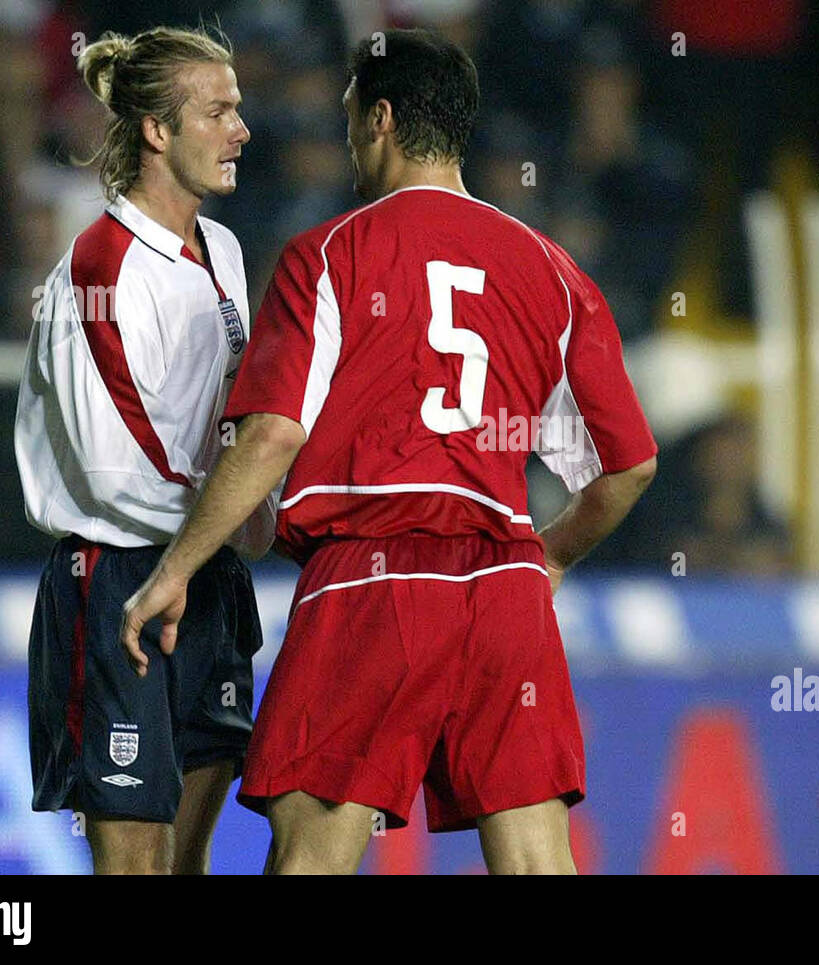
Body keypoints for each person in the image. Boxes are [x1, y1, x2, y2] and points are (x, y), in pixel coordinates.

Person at [120, 28, 657, 875]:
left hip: (371, 580)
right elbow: (629, 465)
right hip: (504, 586)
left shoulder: (329, 253)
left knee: (312, 858)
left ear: (381, 119)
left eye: (349, 122)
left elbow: (272, 432)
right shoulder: (554, 271)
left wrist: (177, 566)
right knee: (537, 862)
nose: (346, 145)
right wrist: (549, 556)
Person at [15, 26, 272, 874]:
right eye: (217, 112)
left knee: (189, 862)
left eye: (238, 109)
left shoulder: (224, 250)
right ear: (158, 130)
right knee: (135, 866)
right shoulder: (101, 266)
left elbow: (236, 418)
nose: (241, 130)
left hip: (209, 572)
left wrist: (254, 515)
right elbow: (115, 466)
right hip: (119, 578)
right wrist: (234, 510)